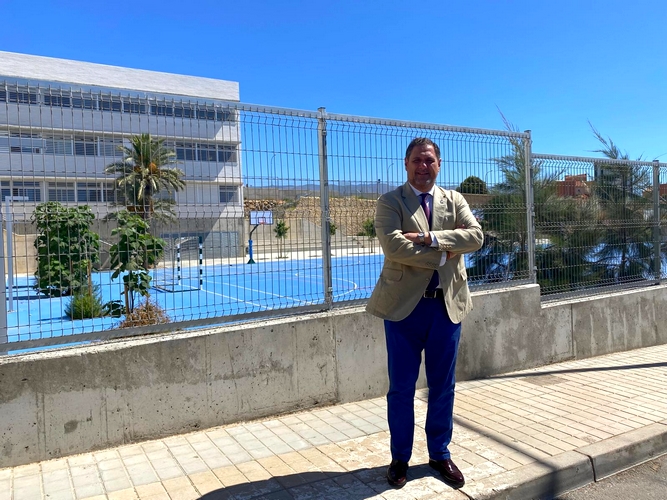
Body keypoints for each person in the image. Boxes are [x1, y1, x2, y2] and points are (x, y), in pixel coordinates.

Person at [366, 137, 483, 489]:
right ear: (406, 163)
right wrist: (446, 251)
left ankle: (439, 454)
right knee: (401, 388)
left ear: (439, 164)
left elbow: (475, 237)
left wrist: (428, 239)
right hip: (404, 310)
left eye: (429, 160)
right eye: (417, 160)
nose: (423, 166)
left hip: (446, 307)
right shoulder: (390, 201)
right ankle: (400, 458)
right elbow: (394, 247)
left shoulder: (455, 200)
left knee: (443, 386)